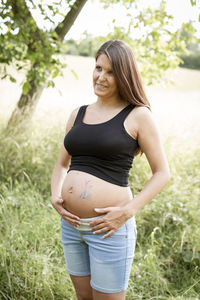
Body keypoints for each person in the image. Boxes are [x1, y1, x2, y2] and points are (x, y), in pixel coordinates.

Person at [51, 40, 170, 300]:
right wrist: (55, 197)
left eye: (111, 71)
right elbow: (61, 164)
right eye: (98, 68)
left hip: (109, 229)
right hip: (71, 226)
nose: (101, 77)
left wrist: (127, 211)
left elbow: (162, 173)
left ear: (125, 75)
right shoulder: (77, 114)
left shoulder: (138, 116)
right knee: (84, 298)